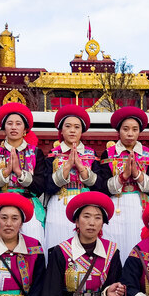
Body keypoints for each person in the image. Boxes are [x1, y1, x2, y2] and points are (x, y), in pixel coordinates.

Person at [100, 107, 149, 262]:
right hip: (116, 205)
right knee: (115, 242)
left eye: (135, 130)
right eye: (125, 129)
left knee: (139, 243)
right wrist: (123, 177)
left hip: (140, 206)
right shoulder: (108, 153)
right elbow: (103, 187)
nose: (130, 134)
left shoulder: (148, 153)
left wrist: (137, 175)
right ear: (118, 131)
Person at [0, 102, 47, 248]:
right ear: (4, 127)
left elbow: (41, 186)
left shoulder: (35, 153)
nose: (14, 127)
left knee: (31, 248)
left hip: (29, 207)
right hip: (2, 207)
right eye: (10, 123)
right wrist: (5, 173)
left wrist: (20, 173)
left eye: (18, 124)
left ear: (25, 129)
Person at [44, 105, 101, 249]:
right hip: (59, 205)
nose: (72, 130)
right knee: (58, 245)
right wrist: (67, 167)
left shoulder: (91, 155)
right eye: (68, 126)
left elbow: (100, 186)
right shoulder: (53, 154)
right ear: (61, 130)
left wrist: (81, 168)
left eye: (77, 127)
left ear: (82, 131)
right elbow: (47, 186)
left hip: (86, 205)